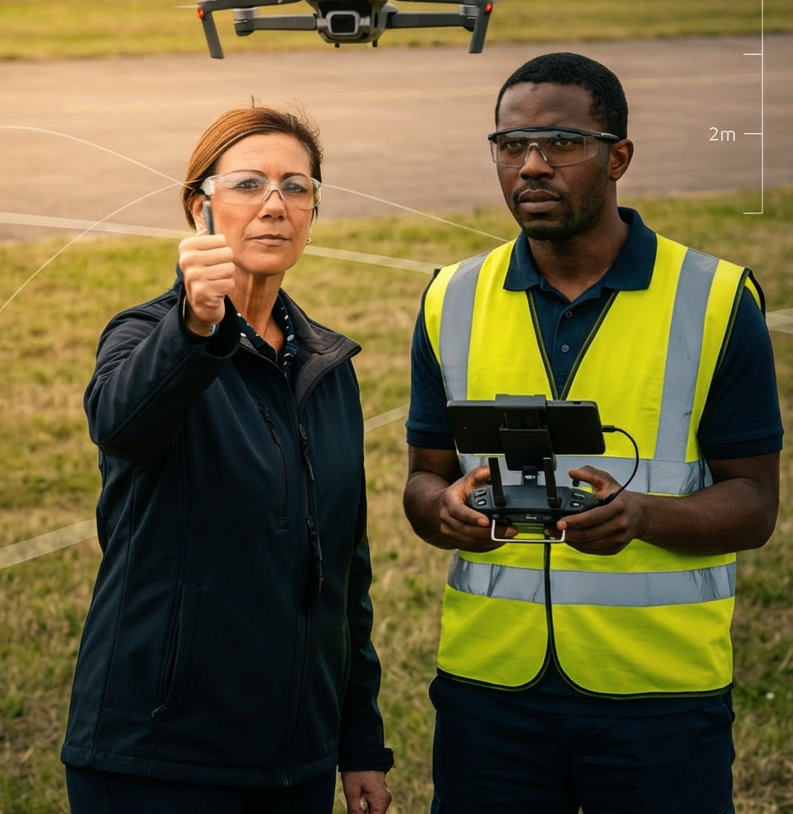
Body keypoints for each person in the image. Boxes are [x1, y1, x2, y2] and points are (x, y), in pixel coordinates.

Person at [403, 52, 783, 814]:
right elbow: (423, 479)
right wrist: (441, 512)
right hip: (489, 693)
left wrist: (644, 515)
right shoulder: (452, 297)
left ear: (617, 158)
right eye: (511, 146)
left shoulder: (711, 300)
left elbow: (753, 504)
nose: (532, 166)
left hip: (658, 696)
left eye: (560, 144)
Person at [62, 106, 393, 814]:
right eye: (248, 183)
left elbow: (342, 569)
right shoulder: (146, 336)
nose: (275, 204)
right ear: (198, 206)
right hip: (158, 756)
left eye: (296, 187)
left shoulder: (327, 365)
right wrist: (194, 324)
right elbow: (120, 424)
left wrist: (357, 740)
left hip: (292, 761)